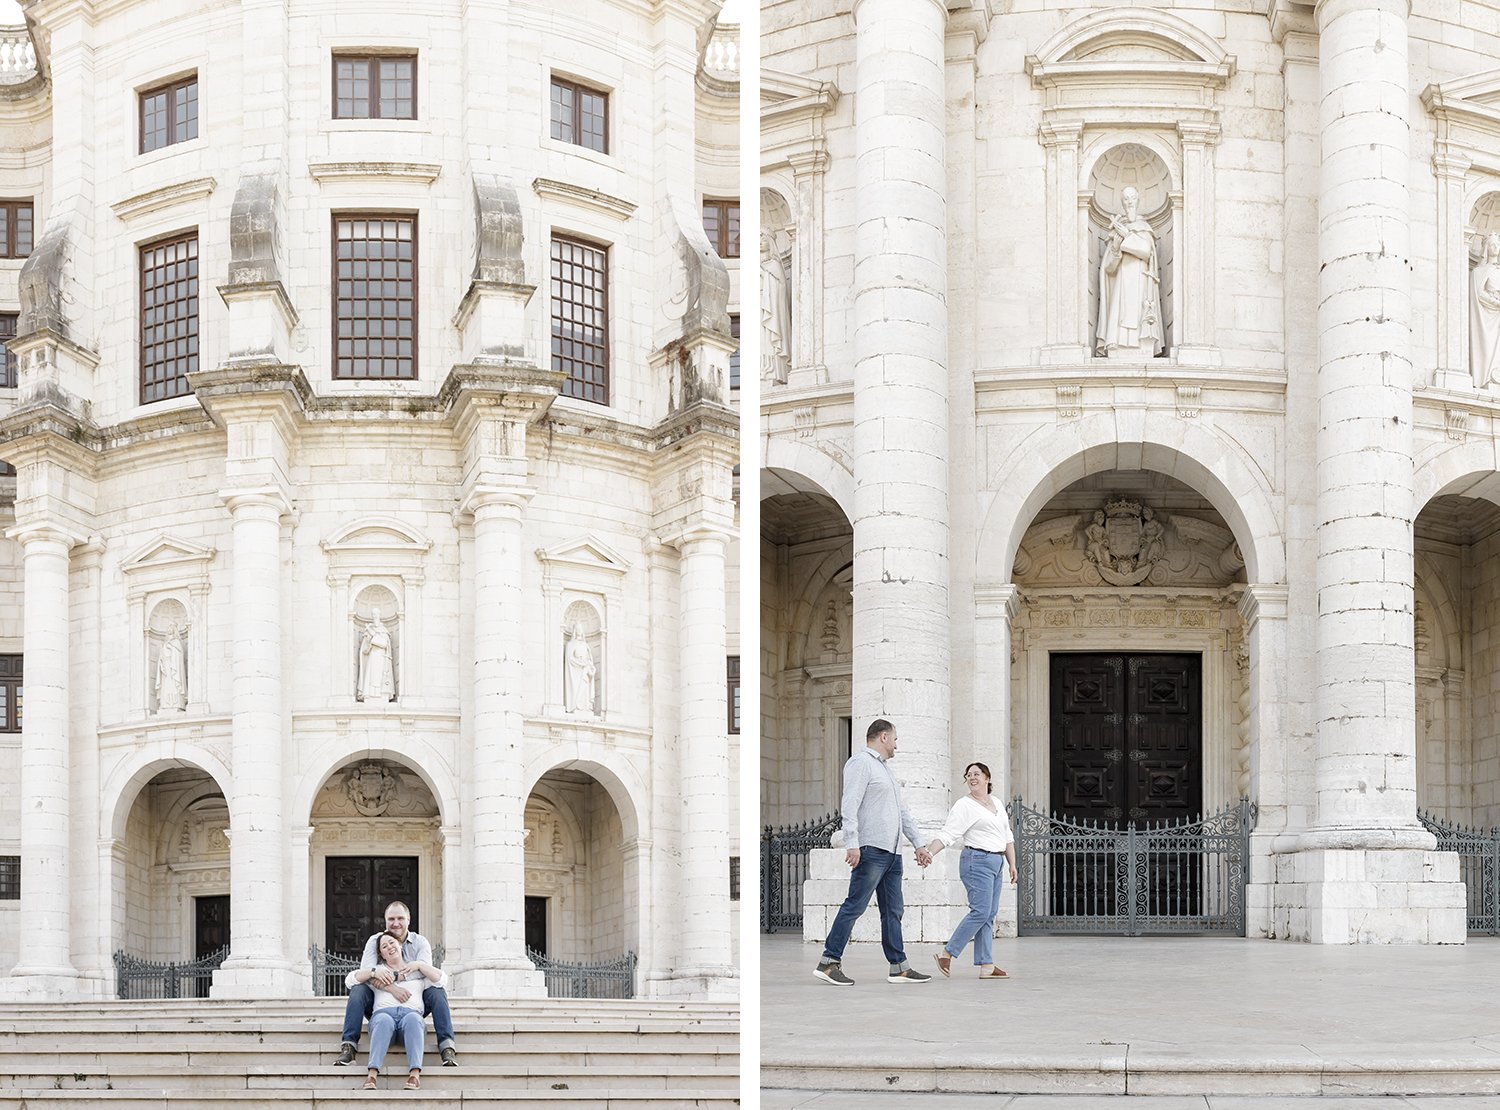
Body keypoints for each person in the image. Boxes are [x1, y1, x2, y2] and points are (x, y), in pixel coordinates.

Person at [813, 718, 933, 986]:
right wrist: (851, 842)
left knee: (893, 911)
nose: (896, 744)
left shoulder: (886, 771)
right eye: (895, 738)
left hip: (892, 854)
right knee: (855, 905)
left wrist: (919, 844)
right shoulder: (861, 763)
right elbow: (850, 803)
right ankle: (829, 962)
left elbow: (902, 812)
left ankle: (899, 967)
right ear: (883, 737)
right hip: (871, 849)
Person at [923, 762, 1018, 980]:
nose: (972, 777)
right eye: (968, 775)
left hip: (997, 861)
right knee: (981, 912)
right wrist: (930, 852)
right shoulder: (964, 805)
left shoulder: (996, 803)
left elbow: (1007, 836)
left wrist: (1012, 864)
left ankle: (987, 965)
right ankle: (947, 953)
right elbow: (948, 834)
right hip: (976, 860)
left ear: (988, 778)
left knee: (989, 915)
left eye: (976, 774)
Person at [336, 901, 458, 1068]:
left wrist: (391, 975)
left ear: (409, 919)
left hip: (413, 1003)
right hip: (380, 1005)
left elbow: (427, 975)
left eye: (400, 918)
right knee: (358, 990)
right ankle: (349, 1046)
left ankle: (446, 1046)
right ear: (385, 921)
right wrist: (392, 987)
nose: (396, 923)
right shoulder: (376, 941)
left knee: (437, 991)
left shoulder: (420, 942)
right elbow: (366, 973)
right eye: (391, 919)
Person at [346, 930, 444, 1090]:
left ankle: (414, 1076)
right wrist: (373, 972)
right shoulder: (377, 971)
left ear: (400, 944)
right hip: (383, 1015)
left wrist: (420, 965)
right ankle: (371, 1075)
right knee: (383, 1020)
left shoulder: (417, 970)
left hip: (411, 1015)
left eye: (392, 942)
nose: (389, 947)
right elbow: (350, 980)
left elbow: (441, 980)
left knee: (414, 1019)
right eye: (384, 946)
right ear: (381, 954)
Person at [1096, 185, 1163, 357]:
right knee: (1121, 312)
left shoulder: (1144, 228)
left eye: (1132, 197)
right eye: (1126, 198)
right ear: (1122, 202)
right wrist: (1116, 248)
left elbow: (1146, 252)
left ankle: (1141, 346)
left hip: (1140, 278)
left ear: (1138, 199)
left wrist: (1127, 236)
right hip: (1122, 278)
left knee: (1137, 312)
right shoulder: (1116, 231)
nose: (1129, 201)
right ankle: (1117, 344)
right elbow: (1109, 269)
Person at [1472, 232, 1500, 387]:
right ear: (1486, 248)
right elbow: (1479, 293)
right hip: (1488, 314)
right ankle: (1488, 376)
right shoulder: (1479, 272)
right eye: (1492, 244)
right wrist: (1496, 303)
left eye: (1497, 244)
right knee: (1488, 346)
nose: (1495, 247)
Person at [357, 610, 395, 702]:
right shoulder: (368, 630)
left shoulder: (383, 631)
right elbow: (364, 650)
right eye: (373, 614)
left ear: (379, 615)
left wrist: (373, 635)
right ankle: (370, 694)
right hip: (372, 655)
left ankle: (381, 694)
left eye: (376, 614)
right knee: (371, 674)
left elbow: (385, 644)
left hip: (381, 656)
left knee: (380, 675)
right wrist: (368, 642)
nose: (375, 616)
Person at [564, 621, 596, 713]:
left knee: (584, 689)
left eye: (581, 629)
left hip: (585, 671)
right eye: (578, 629)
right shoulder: (570, 644)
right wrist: (580, 663)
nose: (579, 631)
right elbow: (569, 659)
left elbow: (589, 660)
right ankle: (576, 706)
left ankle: (585, 707)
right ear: (575, 630)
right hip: (575, 672)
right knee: (576, 689)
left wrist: (591, 667)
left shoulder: (586, 645)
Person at [155, 620, 187, 711]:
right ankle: (165, 703)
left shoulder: (176, 642)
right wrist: (161, 662)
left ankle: (177, 703)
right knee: (166, 684)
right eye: (168, 627)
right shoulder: (164, 643)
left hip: (174, 668)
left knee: (174, 684)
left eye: (171, 626)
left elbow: (180, 655)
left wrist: (171, 649)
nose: (169, 628)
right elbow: (162, 655)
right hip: (166, 668)